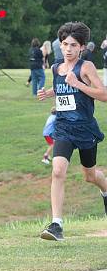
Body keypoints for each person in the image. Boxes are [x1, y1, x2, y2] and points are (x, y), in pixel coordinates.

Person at [37, 21, 107, 241]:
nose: (68, 49)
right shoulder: (56, 67)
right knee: (57, 171)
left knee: (90, 176)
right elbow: (61, 88)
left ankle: (105, 189)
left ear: (82, 47)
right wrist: (50, 92)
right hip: (64, 128)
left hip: (85, 129)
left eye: (73, 45)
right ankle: (56, 225)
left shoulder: (86, 67)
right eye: (64, 44)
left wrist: (78, 84)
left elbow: (103, 95)